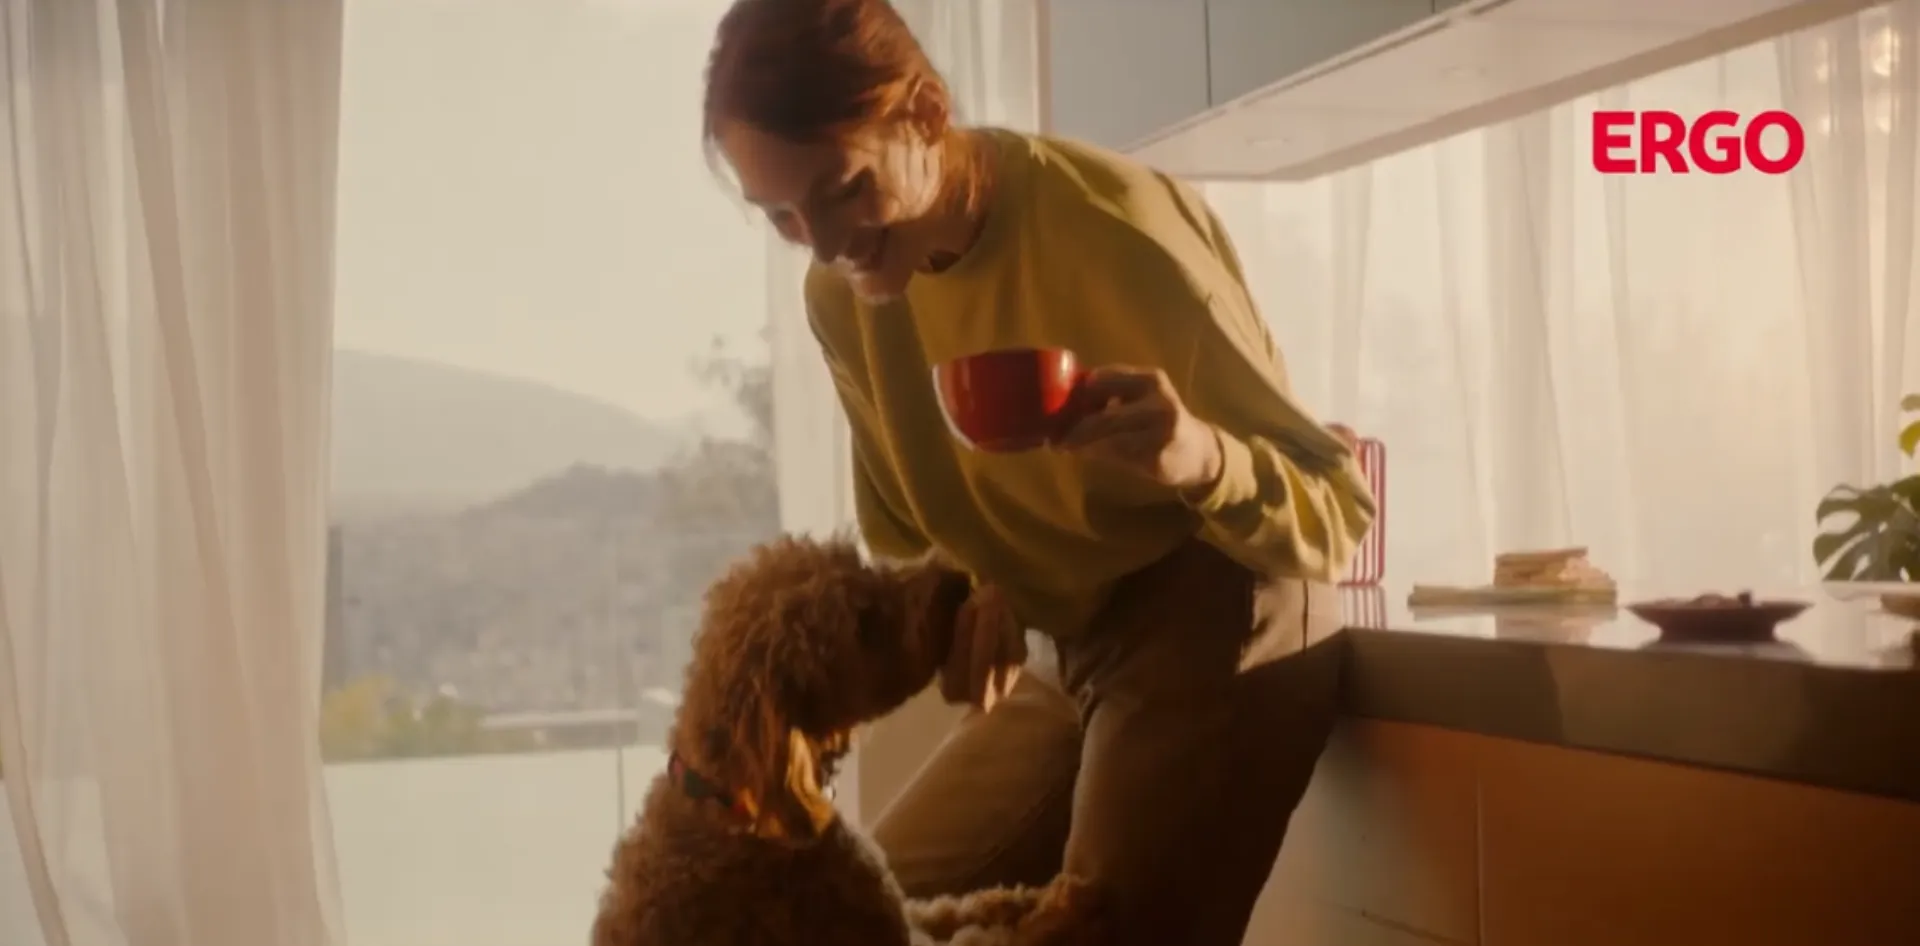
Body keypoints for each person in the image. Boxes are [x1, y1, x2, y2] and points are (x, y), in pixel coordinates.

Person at [701, 1, 1376, 943]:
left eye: (845, 188)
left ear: (927, 113)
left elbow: (1338, 510)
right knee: (853, 924)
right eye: (781, 215)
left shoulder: (1115, 234)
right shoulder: (842, 299)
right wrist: (971, 600)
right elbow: (909, 531)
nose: (823, 243)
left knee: (1093, 930)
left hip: (1218, 598)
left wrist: (1201, 455)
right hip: (1068, 640)